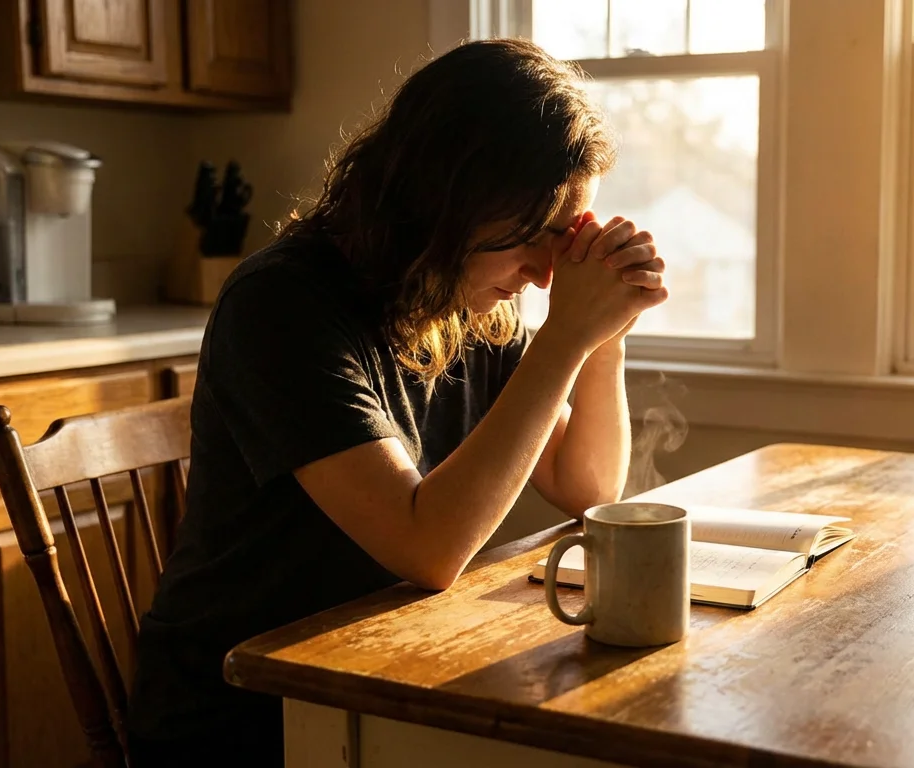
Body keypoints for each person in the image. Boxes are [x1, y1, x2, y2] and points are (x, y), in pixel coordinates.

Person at [126, 38, 667, 764]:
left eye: (565, 240)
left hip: (383, 665)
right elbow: (429, 548)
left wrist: (605, 334)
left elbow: (586, 485)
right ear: (449, 199)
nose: (544, 274)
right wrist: (565, 337)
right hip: (245, 711)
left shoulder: (470, 299)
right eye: (534, 239)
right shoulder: (282, 304)